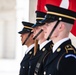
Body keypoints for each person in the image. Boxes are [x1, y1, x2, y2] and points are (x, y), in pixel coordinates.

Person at [40, 0, 76, 75]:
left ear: (60, 27)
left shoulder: (68, 57)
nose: (43, 28)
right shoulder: (52, 51)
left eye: (48, 24)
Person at [28, 11, 53, 75]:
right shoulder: (39, 49)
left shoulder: (50, 50)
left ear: (43, 29)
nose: (33, 31)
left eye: (37, 28)